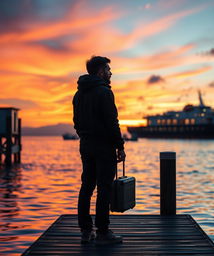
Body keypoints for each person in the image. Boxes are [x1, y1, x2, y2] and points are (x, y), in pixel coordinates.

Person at [72, 56, 126, 245]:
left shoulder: (78, 94)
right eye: (108, 69)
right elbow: (112, 122)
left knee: (86, 187)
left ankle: (86, 231)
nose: (111, 73)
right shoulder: (104, 92)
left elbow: (76, 123)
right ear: (100, 71)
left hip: (86, 145)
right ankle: (103, 232)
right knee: (104, 188)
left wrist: (85, 137)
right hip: (104, 146)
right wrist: (120, 145)